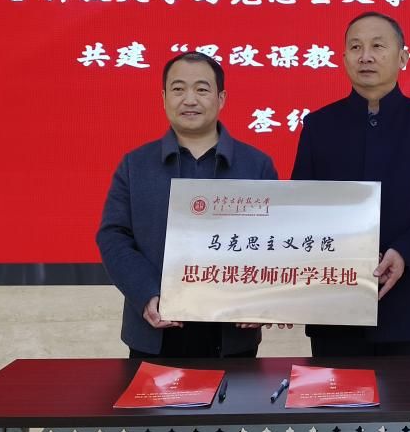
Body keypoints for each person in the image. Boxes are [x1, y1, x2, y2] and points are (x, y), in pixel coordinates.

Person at [292, 11, 410, 357]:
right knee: (334, 393)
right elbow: (301, 205)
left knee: (409, 394)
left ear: (402, 57)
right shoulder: (319, 126)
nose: (365, 56)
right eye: (356, 47)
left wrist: (404, 252)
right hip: (334, 306)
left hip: (408, 306)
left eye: (377, 46)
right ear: (344, 58)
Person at [98, 51, 279, 358]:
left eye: (202, 89)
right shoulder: (135, 165)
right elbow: (113, 236)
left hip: (232, 336)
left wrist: (262, 297)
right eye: (178, 89)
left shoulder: (256, 165)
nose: (190, 99)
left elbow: (275, 241)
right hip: (154, 332)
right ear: (164, 98)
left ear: (221, 99)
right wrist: (147, 293)